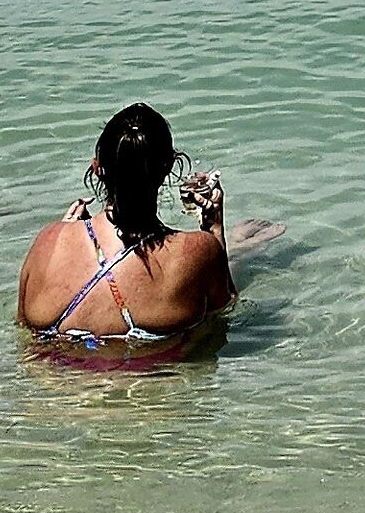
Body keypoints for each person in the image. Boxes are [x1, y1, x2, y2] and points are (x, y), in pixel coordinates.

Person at [16, 101, 234, 358]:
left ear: (97, 169)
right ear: (168, 168)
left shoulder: (48, 239)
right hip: (152, 390)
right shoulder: (199, 251)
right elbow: (224, 315)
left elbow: (22, 327)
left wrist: (64, 235)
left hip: (51, 390)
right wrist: (215, 232)